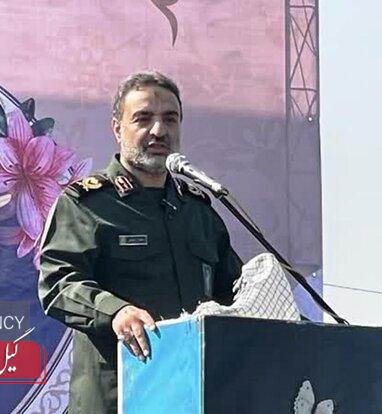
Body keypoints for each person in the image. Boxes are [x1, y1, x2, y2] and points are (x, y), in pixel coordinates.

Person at [38, 71, 242, 413]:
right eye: (143, 118)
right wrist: (115, 311)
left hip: (192, 396)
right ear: (117, 129)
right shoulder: (86, 204)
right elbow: (58, 283)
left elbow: (232, 296)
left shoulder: (198, 211)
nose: (159, 131)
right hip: (118, 397)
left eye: (170, 119)